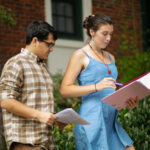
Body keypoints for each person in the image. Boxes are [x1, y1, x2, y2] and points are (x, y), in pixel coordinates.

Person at [60, 14, 139, 150]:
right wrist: (96, 86)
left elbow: (110, 91)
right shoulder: (80, 55)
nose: (108, 38)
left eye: (110, 34)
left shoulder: (111, 58)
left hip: (111, 121)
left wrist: (127, 101)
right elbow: (64, 90)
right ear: (92, 32)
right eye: (104, 34)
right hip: (92, 121)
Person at [0, 21, 65, 150]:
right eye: (49, 44)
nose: (51, 49)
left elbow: (36, 105)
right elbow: (5, 101)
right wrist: (39, 115)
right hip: (25, 141)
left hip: (46, 142)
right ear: (35, 40)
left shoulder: (42, 67)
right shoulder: (16, 63)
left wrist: (54, 117)